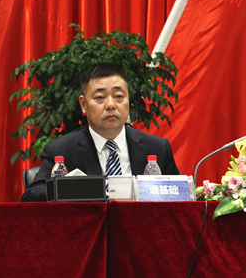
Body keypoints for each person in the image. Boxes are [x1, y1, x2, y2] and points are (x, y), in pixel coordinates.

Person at [21, 62, 179, 202]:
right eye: (100, 97)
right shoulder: (62, 150)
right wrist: (76, 189)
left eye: (118, 96)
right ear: (83, 105)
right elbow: (32, 196)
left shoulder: (157, 148)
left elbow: (181, 196)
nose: (111, 105)